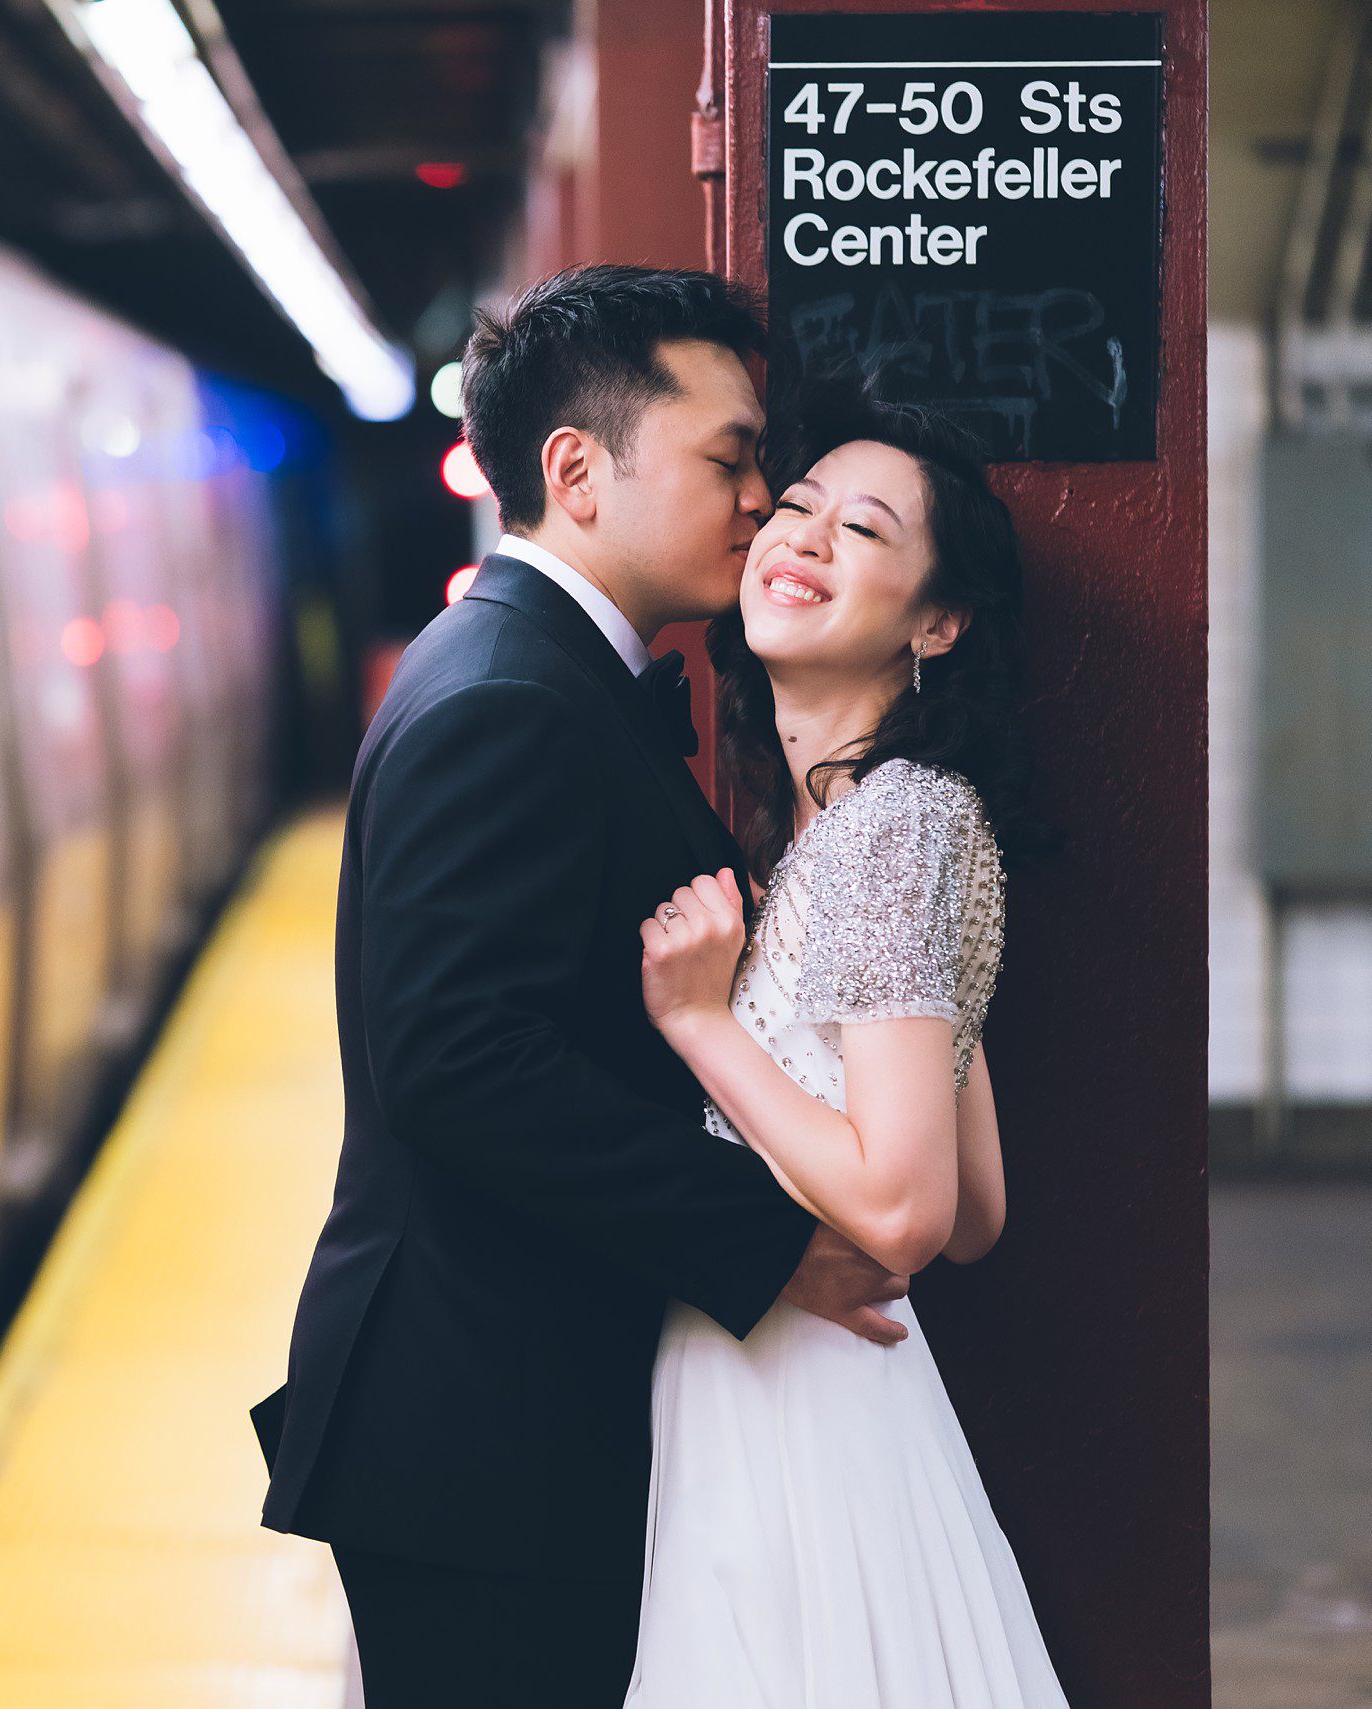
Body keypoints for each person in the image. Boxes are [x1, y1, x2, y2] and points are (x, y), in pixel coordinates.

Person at [251, 263, 911, 1705]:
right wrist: (769, 1240)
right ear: (577, 470)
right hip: (486, 1436)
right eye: (733, 459)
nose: (761, 500)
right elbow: (459, 1058)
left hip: (501, 1421)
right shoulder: (507, 696)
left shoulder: (536, 671)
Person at [623, 394, 1068, 1704]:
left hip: (796, 1408)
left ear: (939, 623)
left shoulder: (888, 830)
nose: (800, 535)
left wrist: (702, 1022)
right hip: (842, 1404)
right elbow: (979, 1206)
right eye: (798, 504)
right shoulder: (882, 822)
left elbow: (909, 1207)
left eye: (863, 528)